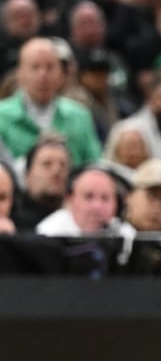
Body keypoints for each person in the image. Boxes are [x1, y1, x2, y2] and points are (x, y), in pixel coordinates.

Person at [0, 36, 104, 167]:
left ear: (61, 74)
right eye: (35, 67)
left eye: (50, 67)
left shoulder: (80, 116)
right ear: (20, 74)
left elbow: (94, 164)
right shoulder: (1, 117)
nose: (43, 75)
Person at [35, 162, 129, 237]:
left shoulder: (125, 234)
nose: (97, 206)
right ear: (71, 200)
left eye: (105, 198)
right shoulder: (49, 233)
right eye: (88, 197)